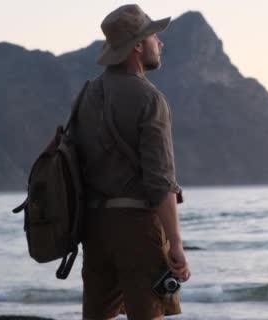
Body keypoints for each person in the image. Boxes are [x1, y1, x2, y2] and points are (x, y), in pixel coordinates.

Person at [71, 4, 190, 320]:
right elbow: (160, 180)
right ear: (138, 46)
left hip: (94, 230)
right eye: (153, 37)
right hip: (137, 229)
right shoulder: (149, 98)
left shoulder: (87, 95)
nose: (160, 43)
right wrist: (176, 244)